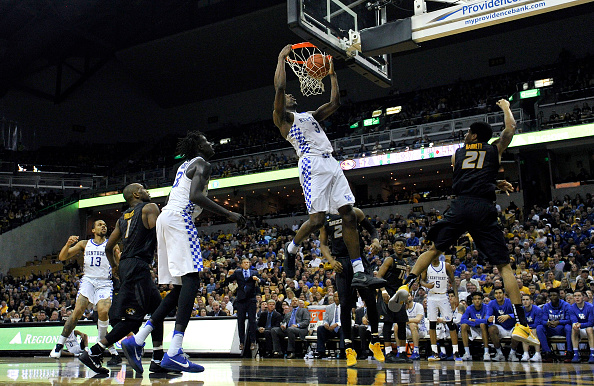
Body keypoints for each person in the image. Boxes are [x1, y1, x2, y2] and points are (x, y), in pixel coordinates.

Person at [391, 99, 538, 346]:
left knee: (433, 250)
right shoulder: (493, 150)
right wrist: (505, 108)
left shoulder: (457, 154)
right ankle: (522, 324)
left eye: (469, 132)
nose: (466, 135)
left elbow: (467, 174)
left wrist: (491, 181)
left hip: (460, 205)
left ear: (473, 134)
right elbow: (510, 128)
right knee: (504, 267)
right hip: (483, 207)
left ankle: (407, 283)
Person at [121, 131, 245, 373]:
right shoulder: (203, 163)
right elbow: (195, 196)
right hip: (179, 219)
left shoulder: (183, 166)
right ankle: (175, 351)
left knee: (178, 290)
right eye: (207, 141)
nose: (212, 143)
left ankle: (136, 341)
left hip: (166, 218)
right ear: (199, 146)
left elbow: (177, 196)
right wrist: (229, 214)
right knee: (192, 279)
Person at [273, 44, 379, 289]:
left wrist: (332, 75)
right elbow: (280, 87)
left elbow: (334, 103)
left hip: (331, 162)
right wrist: (281, 58)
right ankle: (290, 249)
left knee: (349, 214)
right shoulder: (282, 119)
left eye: (291, 95)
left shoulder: (309, 116)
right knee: (318, 220)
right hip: (312, 165)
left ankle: (360, 270)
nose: (292, 96)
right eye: (289, 96)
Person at [78, 183, 164, 375]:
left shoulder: (121, 219)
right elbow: (161, 231)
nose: (147, 191)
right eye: (143, 189)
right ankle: (95, 351)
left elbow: (109, 248)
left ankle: (157, 359)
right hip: (138, 266)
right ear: (136, 194)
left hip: (128, 265)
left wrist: (117, 267)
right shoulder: (150, 208)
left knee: (159, 310)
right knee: (134, 318)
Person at [319, 207, 385, 367]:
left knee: (370, 299)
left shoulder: (355, 211)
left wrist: (375, 241)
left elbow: (372, 230)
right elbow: (323, 244)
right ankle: (349, 348)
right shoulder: (325, 218)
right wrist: (331, 261)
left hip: (358, 258)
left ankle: (375, 340)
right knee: (345, 305)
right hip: (341, 262)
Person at [50, 220, 121, 365]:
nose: (103, 226)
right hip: (88, 281)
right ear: (93, 229)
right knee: (77, 311)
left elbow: (118, 265)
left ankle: (99, 349)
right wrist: (68, 244)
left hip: (104, 282)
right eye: (100, 224)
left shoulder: (112, 244)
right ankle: (58, 345)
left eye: (105, 225)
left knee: (103, 311)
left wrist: (118, 260)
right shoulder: (84, 243)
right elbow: (63, 257)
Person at [377, 239, 411, 363]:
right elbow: (379, 276)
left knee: (402, 322)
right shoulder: (390, 260)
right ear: (393, 247)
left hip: (398, 294)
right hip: (387, 292)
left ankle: (402, 352)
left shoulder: (404, 262)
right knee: (388, 322)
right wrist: (383, 291)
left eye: (402, 245)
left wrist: (406, 293)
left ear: (405, 247)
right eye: (397, 245)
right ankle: (388, 353)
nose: (400, 247)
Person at [421, 255, 461, 361]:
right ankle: (434, 352)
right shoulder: (427, 267)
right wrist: (426, 285)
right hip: (432, 296)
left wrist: (456, 297)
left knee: (450, 324)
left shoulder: (446, 266)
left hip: (443, 296)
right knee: (432, 323)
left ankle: (456, 352)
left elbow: (453, 281)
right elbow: (421, 281)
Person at [224, 258, 267, 352]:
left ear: (250, 264)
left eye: (247, 262)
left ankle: (252, 341)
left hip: (251, 299)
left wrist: (258, 280)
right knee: (240, 321)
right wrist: (228, 274)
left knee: (252, 321)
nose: (246, 264)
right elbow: (228, 281)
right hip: (241, 300)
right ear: (241, 264)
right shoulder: (238, 272)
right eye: (244, 262)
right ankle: (241, 342)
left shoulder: (254, 272)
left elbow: (263, 282)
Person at [536, 287, 572, 362]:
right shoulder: (546, 306)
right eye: (551, 295)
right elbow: (543, 320)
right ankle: (547, 352)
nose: (552, 297)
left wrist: (558, 322)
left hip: (562, 329)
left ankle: (569, 352)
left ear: (559, 296)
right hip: (551, 328)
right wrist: (547, 323)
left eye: (554, 295)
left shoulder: (566, 305)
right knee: (539, 327)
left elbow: (569, 320)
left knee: (569, 327)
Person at [486, 287, 516, 361]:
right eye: (496, 293)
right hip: (501, 328)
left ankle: (512, 353)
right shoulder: (491, 303)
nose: (498, 295)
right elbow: (487, 315)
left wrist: (508, 316)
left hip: (512, 327)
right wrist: (488, 318)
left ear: (504, 294)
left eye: (500, 293)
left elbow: (517, 314)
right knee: (491, 329)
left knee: (519, 329)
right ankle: (499, 353)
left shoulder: (510, 302)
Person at [511, 294, 543, 362]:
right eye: (523, 300)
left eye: (527, 300)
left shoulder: (537, 309)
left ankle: (537, 354)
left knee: (533, 331)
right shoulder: (521, 310)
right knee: (523, 331)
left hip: (536, 328)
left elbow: (537, 323)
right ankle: (525, 354)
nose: (525, 302)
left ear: (531, 301)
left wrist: (528, 328)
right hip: (527, 328)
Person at [460, 291, 489, 361]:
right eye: (475, 299)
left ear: (482, 300)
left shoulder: (487, 307)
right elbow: (463, 320)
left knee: (482, 325)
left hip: (485, 329)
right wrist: (474, 323)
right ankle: (467, 353)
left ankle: (486, 353)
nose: (477, 301)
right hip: (474, 328)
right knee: (463, 326)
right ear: (472, 300)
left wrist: (475, 321)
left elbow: (487, 320)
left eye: (479, 299)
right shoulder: (469, 308)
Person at [315, 292, 344, 359]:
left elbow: (347, 319)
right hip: (330, 329)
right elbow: (325, 319)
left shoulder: (345, 306)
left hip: (340, 328)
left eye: (338, 297)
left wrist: (337, 324)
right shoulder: (329, 307)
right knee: (320, 328)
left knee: (343, 329)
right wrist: (326, 324)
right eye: (335, 297)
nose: (336, 298)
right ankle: (321, 352)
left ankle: (342, 352)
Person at [569, 289, 594, 363]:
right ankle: (576, 353)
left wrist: (581, 324)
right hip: (580, 328)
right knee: (574, 328)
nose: (577, 298)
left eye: (579, 296)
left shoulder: (590, 307)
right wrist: (576, 325)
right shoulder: (572, 307)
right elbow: (573, 320)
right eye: (575, 296)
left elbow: (591, 322)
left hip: (590, 328)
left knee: (589, 329)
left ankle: (592, 354)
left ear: (583, 297)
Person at [403, 294, 426, 360]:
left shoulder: (418, 306)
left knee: (412, 325)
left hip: (420, 330)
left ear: (412, 297)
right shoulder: (403, 308)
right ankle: (400, 351)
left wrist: (406, 321)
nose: (407, 297)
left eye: (408, 295)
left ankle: (416, 351)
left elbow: (418, 320)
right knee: (396, 326)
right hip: (408, 329)